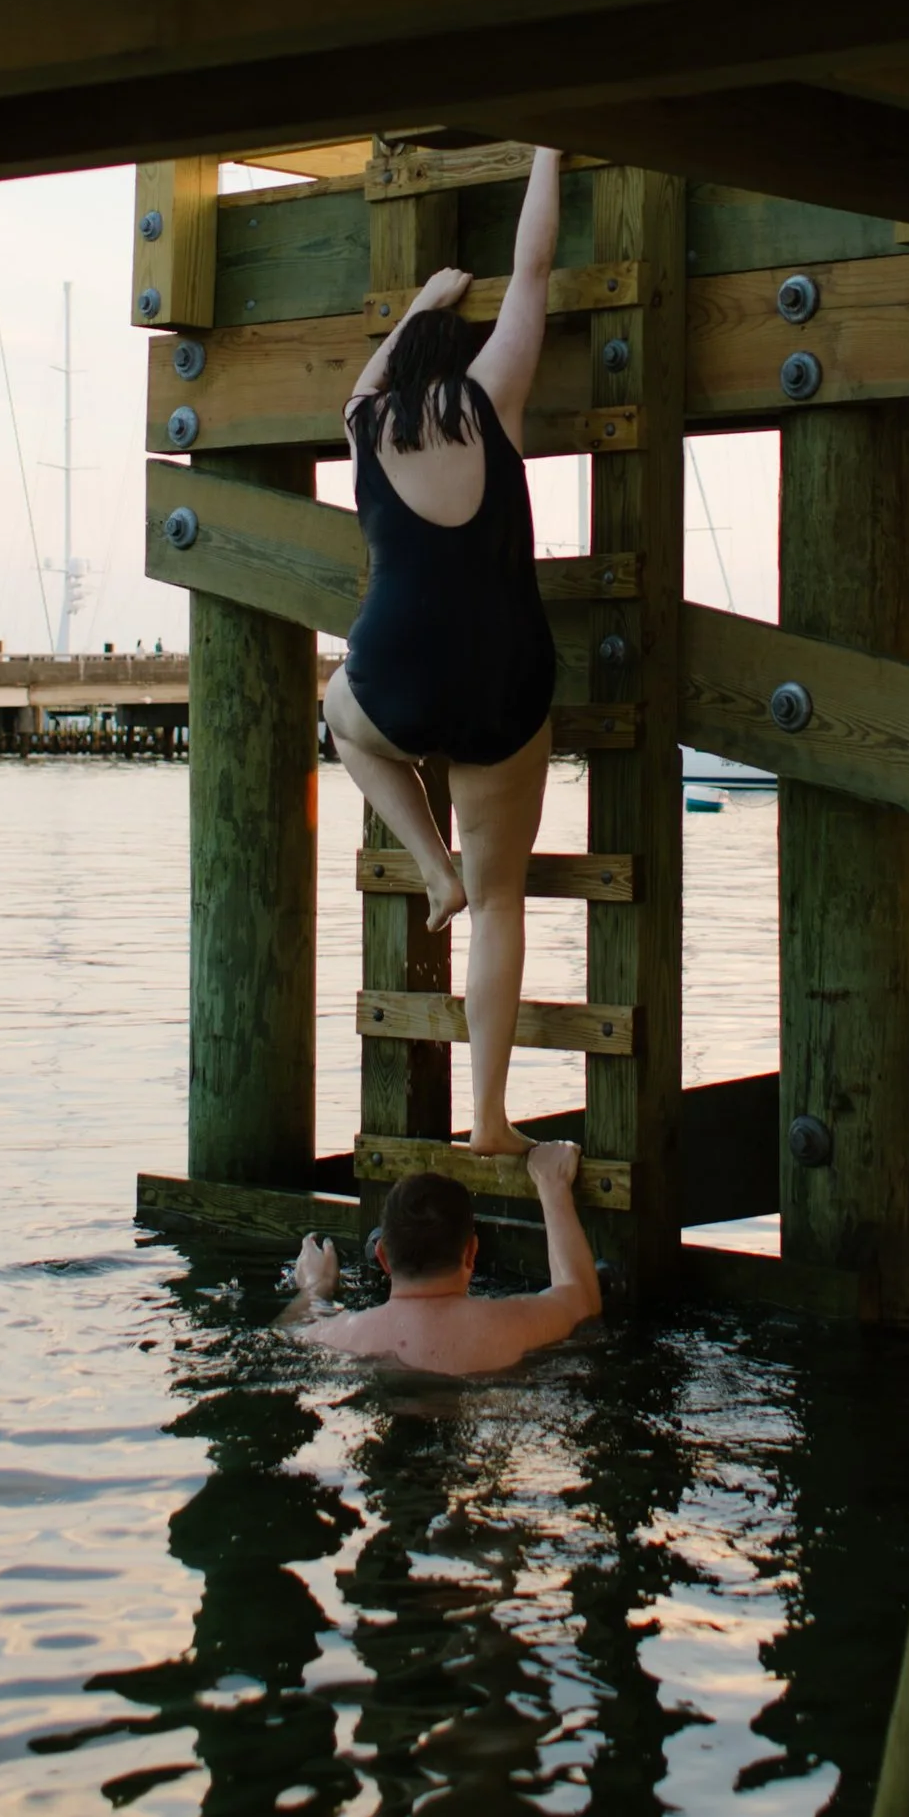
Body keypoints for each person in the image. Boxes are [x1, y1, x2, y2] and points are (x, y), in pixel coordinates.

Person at [323, 144, 561, 1156]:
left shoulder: (365, 422)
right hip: (505, 679)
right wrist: (548, 149)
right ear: (457, 362)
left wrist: (422, 297)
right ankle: (493, 1120)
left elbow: (366, 381)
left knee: (345, 717)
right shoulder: (491, 398)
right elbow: (535, 269)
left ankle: (429, 866)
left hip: (396, 675)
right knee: (504, 900)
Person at [286, 1142, 599, 1371]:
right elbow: (581, 1298)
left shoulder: (336, 1334)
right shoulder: (514, 1325)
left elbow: (286, 1334)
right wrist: (553, 1186)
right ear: (471, 1253)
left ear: (382, 1256)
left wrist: (315, 1287)